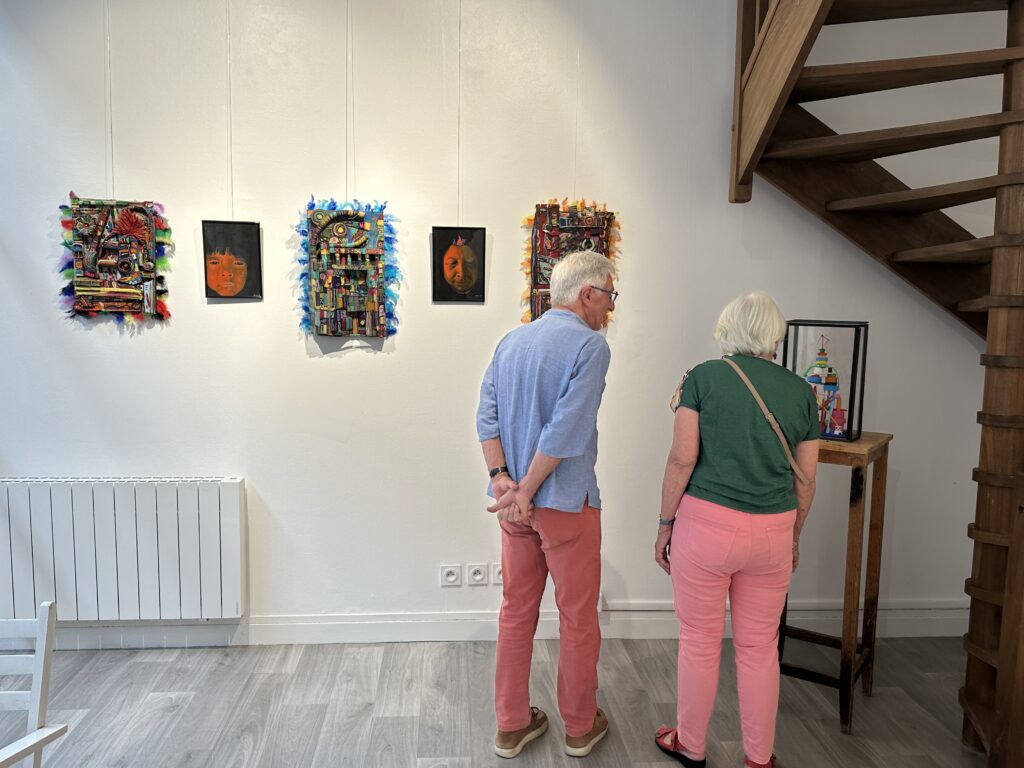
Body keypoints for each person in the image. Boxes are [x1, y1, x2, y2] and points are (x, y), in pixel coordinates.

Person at [653, 291, 820, 768]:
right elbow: (805, 481)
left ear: (728, 329)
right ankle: (759, 758)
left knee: (701, 641)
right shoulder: (801, 391)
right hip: (773, 530)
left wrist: (666, 524)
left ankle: (690, 745)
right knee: (759, 648)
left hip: (706, 528)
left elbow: (683, 458)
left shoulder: (704, 378)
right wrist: (793, 535)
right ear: (774, 334)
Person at [476, 249, 617, 759]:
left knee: (516, 612)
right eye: (609, 295)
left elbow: (485, 417)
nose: (610, 308)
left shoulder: (511, 341)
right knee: (578, 618)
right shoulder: (590, 347)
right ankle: (580, 726)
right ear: (587, 295)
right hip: (564, 506)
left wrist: (503, 483)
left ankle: (511, 724)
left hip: (515, 507)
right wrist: (528, 490)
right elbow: (567, 429)